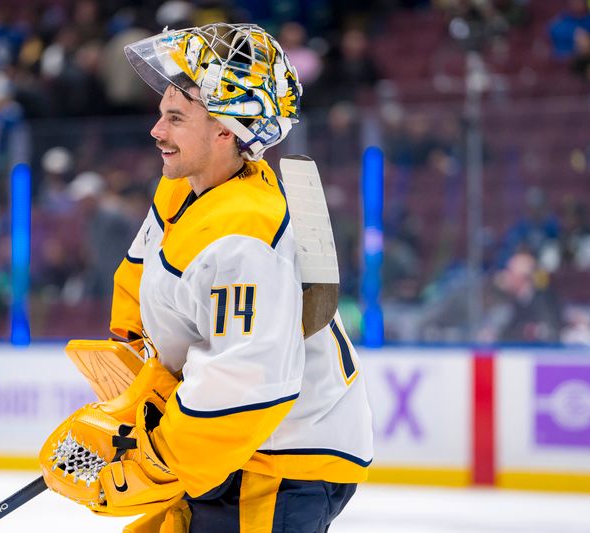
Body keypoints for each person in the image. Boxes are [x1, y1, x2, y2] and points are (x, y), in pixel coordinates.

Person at [41, 23, 373, 532]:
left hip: (275, 465)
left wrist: (150, 463)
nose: (157, 131)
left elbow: (245, 385)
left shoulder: (243, 231)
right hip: (228, 455)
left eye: (175, 118)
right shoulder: (188, 188)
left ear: (225, 131)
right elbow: (138, 274)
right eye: (161, 114)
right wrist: (137, 371)